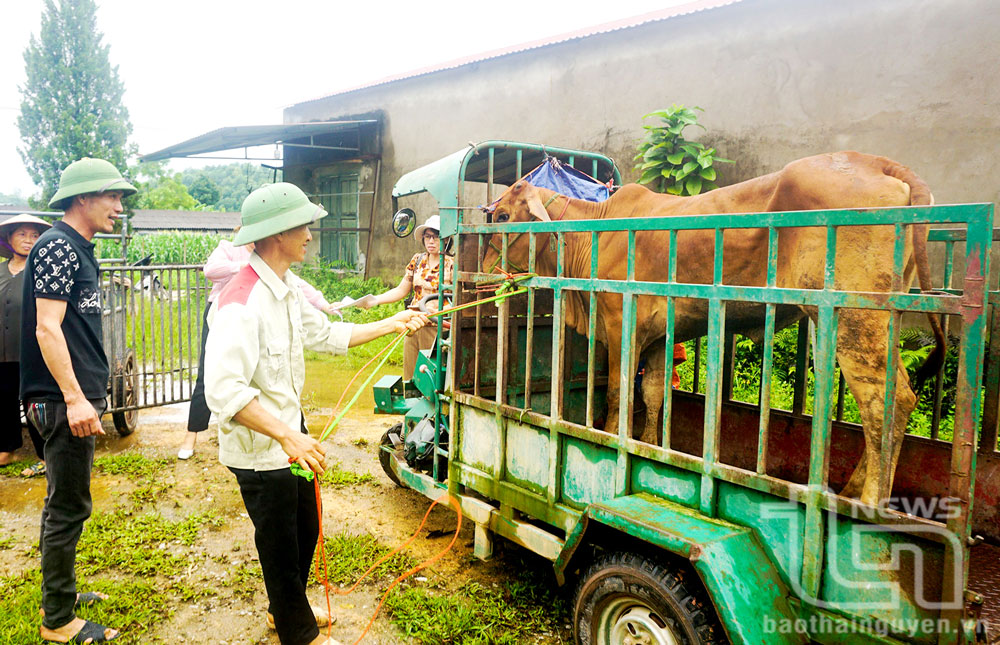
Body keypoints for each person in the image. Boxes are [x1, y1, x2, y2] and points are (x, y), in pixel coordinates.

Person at [204, 182, 428, 645]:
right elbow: (224, 392)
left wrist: (393, 322)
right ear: (276, 234)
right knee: (281, 548)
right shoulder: (240, 302)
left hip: (291, 440)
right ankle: (299, 632)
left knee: (305, 531)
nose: (310, 234)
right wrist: (287, 437)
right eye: (303, 225)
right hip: (261, 451)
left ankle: (283, 610)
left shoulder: (284, 288)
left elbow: (326, 333)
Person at [22, 157, 137, 643]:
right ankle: (58, 622)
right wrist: (74, 398)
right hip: (60, 400)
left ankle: (61, 593)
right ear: (83, 198)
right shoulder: (57, 247)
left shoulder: (79, 249)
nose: (118, 206)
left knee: (64, 502)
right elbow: (46, 327)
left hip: (73, 397)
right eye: (111, 196)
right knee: (68, 508)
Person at [179, 229, 339, 460]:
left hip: (257, 315)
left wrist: (323, 304)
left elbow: (297, 285)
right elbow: (211, 270)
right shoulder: (230, 249)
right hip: (226, 314)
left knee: (265, 376)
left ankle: (263, 434)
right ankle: (191, 435)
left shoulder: (271, 261)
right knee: (210, 378)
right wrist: (249, 268)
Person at [358, 214, 452, 380]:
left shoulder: (453, 264)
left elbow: (458, 299)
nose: (431, 241)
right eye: (428, 237)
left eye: (436, 237)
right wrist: (375, 300)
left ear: (445, 239)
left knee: (432, 378)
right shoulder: (417, 260)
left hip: (436, 328)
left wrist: (439, 312)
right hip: (413, 324)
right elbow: (402, 290)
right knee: (411, 375)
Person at [0, 214, 50, 473]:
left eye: (34, 235)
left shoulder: (42, 271)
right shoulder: (0, 270)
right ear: (9, 239)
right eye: (21, 234)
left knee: (34, 402)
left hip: (31, 350)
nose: (28, 240)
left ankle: (44, 457)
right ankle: (6, 449)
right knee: (3, 398)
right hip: (2, 349)